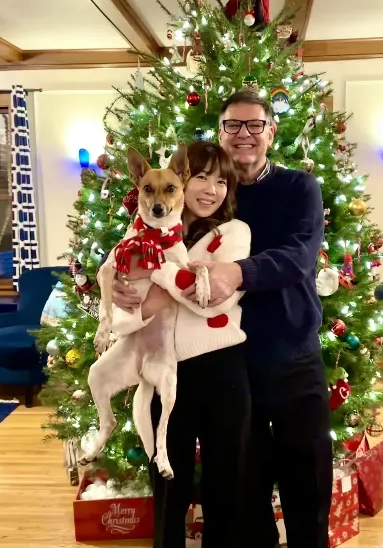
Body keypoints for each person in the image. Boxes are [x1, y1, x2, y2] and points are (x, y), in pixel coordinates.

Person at [115, 92, 331, 548]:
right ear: (220, 135)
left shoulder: (299, 188)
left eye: (255, 125)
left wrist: (239, 272)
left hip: (292, 352)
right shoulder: (196, 200)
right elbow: (152, 252)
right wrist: (124, 287)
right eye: (233, 126)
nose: (244, 135)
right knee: (242, 485)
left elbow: (299, 256)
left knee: (306, 473)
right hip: (233, 362)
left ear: (271, 132)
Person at [115, 141, 252, 548]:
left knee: (223, 488)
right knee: (166, 487)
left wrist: (150, 289)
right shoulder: (148, 233)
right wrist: (128, 298)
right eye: (202, 177)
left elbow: (212, 300)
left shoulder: (234, 233)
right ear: (183, 179)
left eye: (222, 182)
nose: (211, 189)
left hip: (221, 369)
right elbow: (124, 308)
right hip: (166, 371)